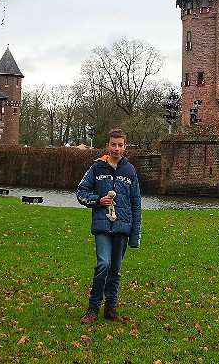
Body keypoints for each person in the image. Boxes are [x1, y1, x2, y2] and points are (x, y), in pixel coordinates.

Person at [77, 128, 141, 324]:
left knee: (115, 269)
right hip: (103, 225)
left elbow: (135, 202)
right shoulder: (96, 168)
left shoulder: (130, 170)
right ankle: (93, 307)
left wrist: (135, 233)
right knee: (103, 264)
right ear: (107, 145)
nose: (116, 148)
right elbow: (81, 192)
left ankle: (111, 308)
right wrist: (98, 200)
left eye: (120, 145)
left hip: (123, 226)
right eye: (113, 144)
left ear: (125, 146)